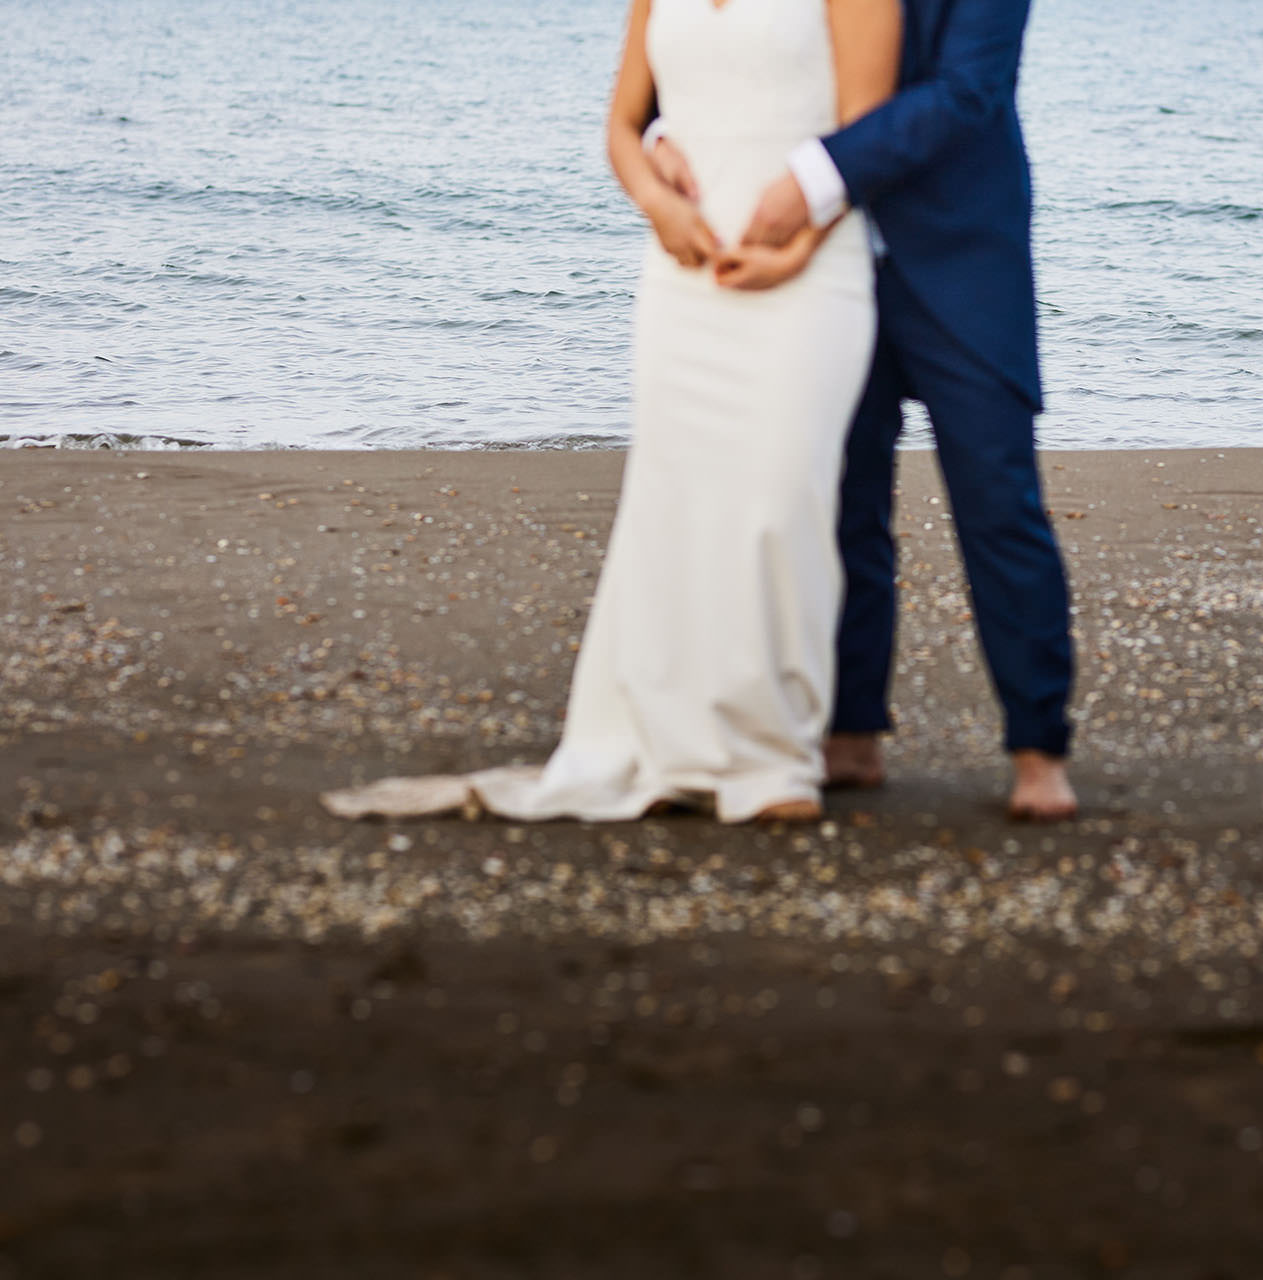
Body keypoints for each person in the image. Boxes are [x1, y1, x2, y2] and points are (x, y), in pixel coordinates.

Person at [321, 0, 902, 825]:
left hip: (810, 273)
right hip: (681, 275)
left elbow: (867, 137)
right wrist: (657, 205)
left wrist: (799, 246)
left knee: (782, 501)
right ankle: (675, 741)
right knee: (678, 500)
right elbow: (624, 130)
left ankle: (773, 758)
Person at [651, 0, 1078, 819]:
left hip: (961, 259)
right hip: (826, 267)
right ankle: (849, 732)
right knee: (841, 500)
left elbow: (967, 93)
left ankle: (1039, 747)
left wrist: (815, 177)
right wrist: (672, 134)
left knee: (999, 501)